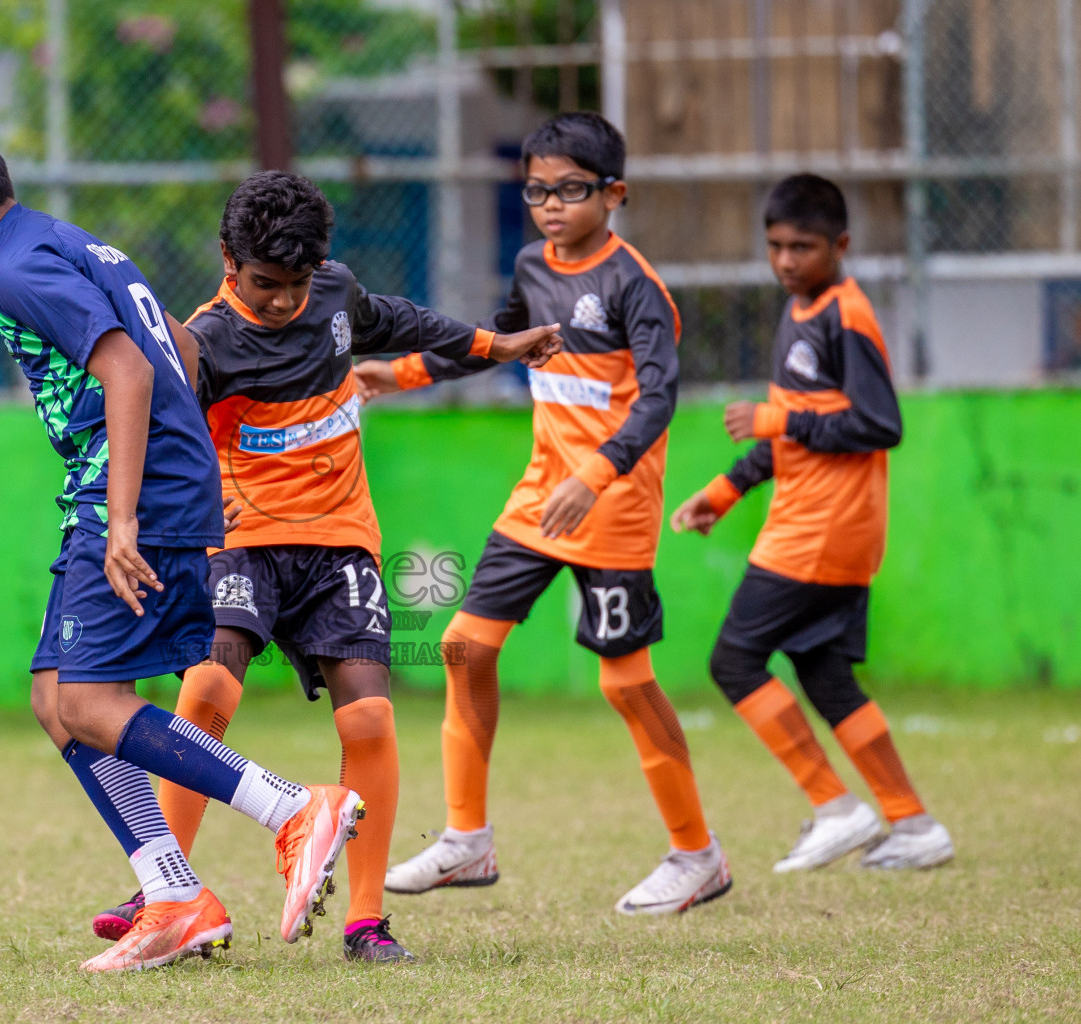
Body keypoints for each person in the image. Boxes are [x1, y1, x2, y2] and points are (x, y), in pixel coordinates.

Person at [0, 117, 364, 972]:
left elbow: (130, 370)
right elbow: (174, 340)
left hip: (132, 497)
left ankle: (291, 808)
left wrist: (128, 516)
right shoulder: (69, 243)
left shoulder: (21, 270)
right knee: (57, 696)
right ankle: (174, 895)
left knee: (94, 703)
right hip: (134, 485)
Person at [90, 170, 562, 961]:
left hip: (340, 540)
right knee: (206, 686)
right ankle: (166, 892)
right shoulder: (206, 343)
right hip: (242, 541)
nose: (282, 300)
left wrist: (497, 346)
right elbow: (155, 428)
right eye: (265, 283)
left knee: (368, 716)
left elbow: (404, 322)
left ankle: (365, 923)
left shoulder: (335, 296)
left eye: (297, 282)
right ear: (228, 260)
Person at [356, 111, 731, 915]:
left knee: (626, 685)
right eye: (536, 190)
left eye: (569, 189)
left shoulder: (637, 286)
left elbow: (661, 397)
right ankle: (466, 841)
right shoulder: (532, 264)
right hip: (537, 498)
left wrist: (594, 475)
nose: (551, 204)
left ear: (614, 194)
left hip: (613, 506)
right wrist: (400, 374)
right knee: (462, 646)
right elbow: (499, 342)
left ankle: (697, 855)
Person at [670, 173, 954, 872]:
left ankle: (836, 806)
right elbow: (793, 435)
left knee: (733, 661)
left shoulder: (845, 315)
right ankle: (914, 826)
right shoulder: (800, 311)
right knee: (827, 679)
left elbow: (880, 423)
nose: (787, 260)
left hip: (823, 531)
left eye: (803, 246)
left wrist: (780, 417)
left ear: (841, 245)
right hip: (816, 528)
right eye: (776, 246)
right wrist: (724, 491)